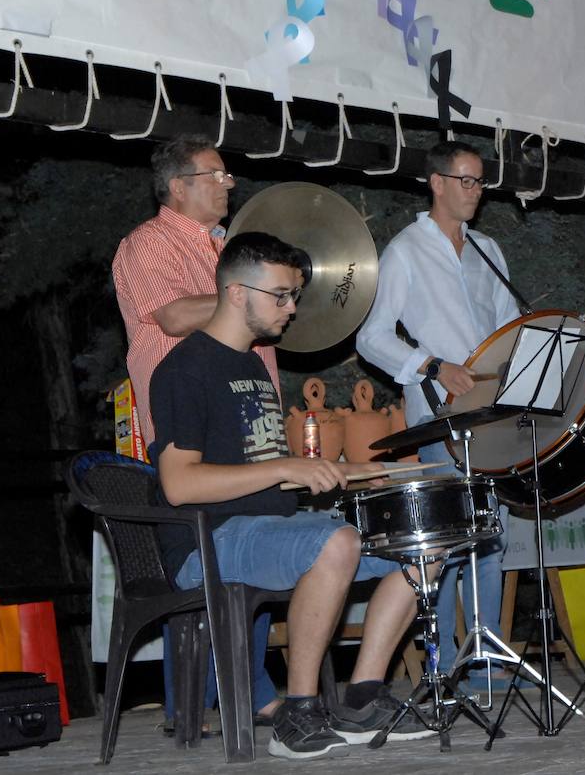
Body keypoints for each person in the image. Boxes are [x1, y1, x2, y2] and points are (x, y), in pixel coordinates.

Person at [148, 232, 431, 760]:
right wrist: (286, 466)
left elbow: (258, 469)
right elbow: (179, 484)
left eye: (293, 295)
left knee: (421, 542)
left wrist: (355, 471)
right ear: (236, 293)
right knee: (336, 543)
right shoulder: (184, 370)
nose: (292, 308)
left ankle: (364, 697)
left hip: (270, 530)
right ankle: (296, 714)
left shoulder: (255, 366)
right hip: (208, 540)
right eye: (280, 295)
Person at [111, 135, 280, 727]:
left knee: (262, 543)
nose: (229, 183)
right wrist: (245, 298)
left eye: (229, 174)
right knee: (208, 552)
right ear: (178, 185)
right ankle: (202, 704)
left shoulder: (229, 247)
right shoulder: (147, 243)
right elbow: (174, 316)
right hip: (190, 427)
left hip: (248, 420)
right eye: (216, 174)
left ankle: (244, 695)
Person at [355, 140, 521, 687]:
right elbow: (372, 336)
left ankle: (486, 659)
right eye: (466, 181)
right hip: (441, 415)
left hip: (489, 416)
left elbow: (510, 328)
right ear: (437, 182)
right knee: (447, 540)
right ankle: (443, 664)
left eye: (480, 182)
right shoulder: (405, 250)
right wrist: (430, 364)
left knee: (488, 535)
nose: (476, 192)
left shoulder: (488, 250)